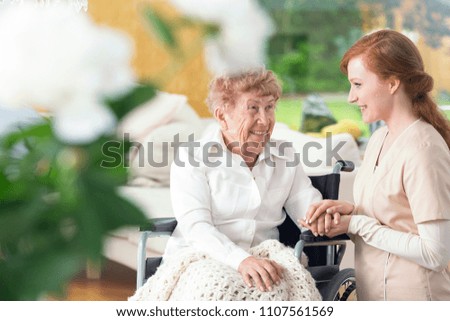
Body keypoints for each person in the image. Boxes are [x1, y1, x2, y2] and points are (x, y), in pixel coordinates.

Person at [131, 68, 323, 301]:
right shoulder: (192, 157)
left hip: (265, 257)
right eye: (253, 108)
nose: (264, 120)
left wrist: (325, 216)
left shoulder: (285, 156)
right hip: (202, 257)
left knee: (278, 288)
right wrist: (240, 260)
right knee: (216, 288)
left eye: (269, 107)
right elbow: (196, 227)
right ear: (222, 116)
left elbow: (309, 210)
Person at [300, 29, 450, 300]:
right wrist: (349, 212)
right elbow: (396, 217)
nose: (350, 97)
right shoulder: (380, 138)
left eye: (357, 84)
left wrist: (356, 224)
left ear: (392, 83)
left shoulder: (424, 150)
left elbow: (435, 253)